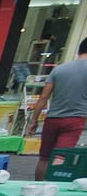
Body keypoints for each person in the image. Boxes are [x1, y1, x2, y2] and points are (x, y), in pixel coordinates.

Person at [34, 37, 87, 180]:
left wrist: (33, 120)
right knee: (60, 156)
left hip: (52, 118)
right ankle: (50, 186)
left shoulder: (59, 69)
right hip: (75, 119)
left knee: (44, 157)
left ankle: (37, 186)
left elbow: (43, 98)